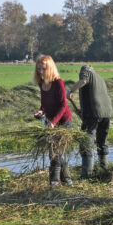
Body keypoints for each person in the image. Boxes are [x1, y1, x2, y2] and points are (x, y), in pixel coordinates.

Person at [67, 65, 113, 179]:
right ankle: (104, 170)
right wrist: (82, 112)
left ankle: (87, 175)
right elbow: (95, 97)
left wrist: (70, 90)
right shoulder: (100, 79)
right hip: (106, 113)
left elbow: (83, 81)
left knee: (85, 142)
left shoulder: (86, 72)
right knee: (102, 142)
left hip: (93, 114)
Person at [34, 55, 73, 187]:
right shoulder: (42, 83)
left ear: (49, 68)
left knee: (57, 153)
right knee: (55, 152)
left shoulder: (58, 83)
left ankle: (54, 183)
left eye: (43, 69)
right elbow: (44, 103)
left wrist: (53, 122)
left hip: (64, 122)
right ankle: (67, 181)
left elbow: (63, 105)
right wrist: (41, 111)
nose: (40, 72)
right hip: (52, 122)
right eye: (38, 69)